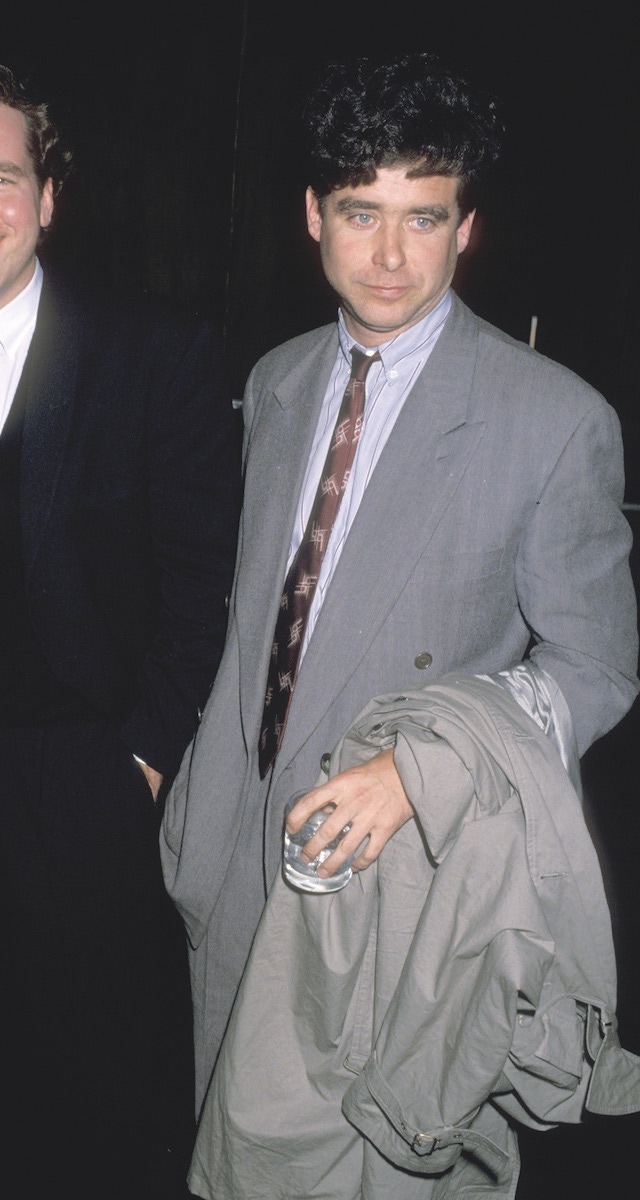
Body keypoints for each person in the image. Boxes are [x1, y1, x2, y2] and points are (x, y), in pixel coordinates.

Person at [160, 50, 640, 1191]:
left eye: (421, 219)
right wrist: (180, 779)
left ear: (463, 229)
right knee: (235, 1161)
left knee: (385, 1167)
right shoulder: (274, 384)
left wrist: (418, 772)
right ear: (313, 217)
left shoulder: (553, 419)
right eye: (360, 213)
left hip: (398, 888)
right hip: (235, 860)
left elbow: (597, 666)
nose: (387, 254)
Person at [0, 55, 240, 1199]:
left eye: (2, 179)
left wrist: (145, 757)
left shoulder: (154, 357)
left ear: (49, 197)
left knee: (90, 1098)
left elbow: (203, 578)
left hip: (83, 784)